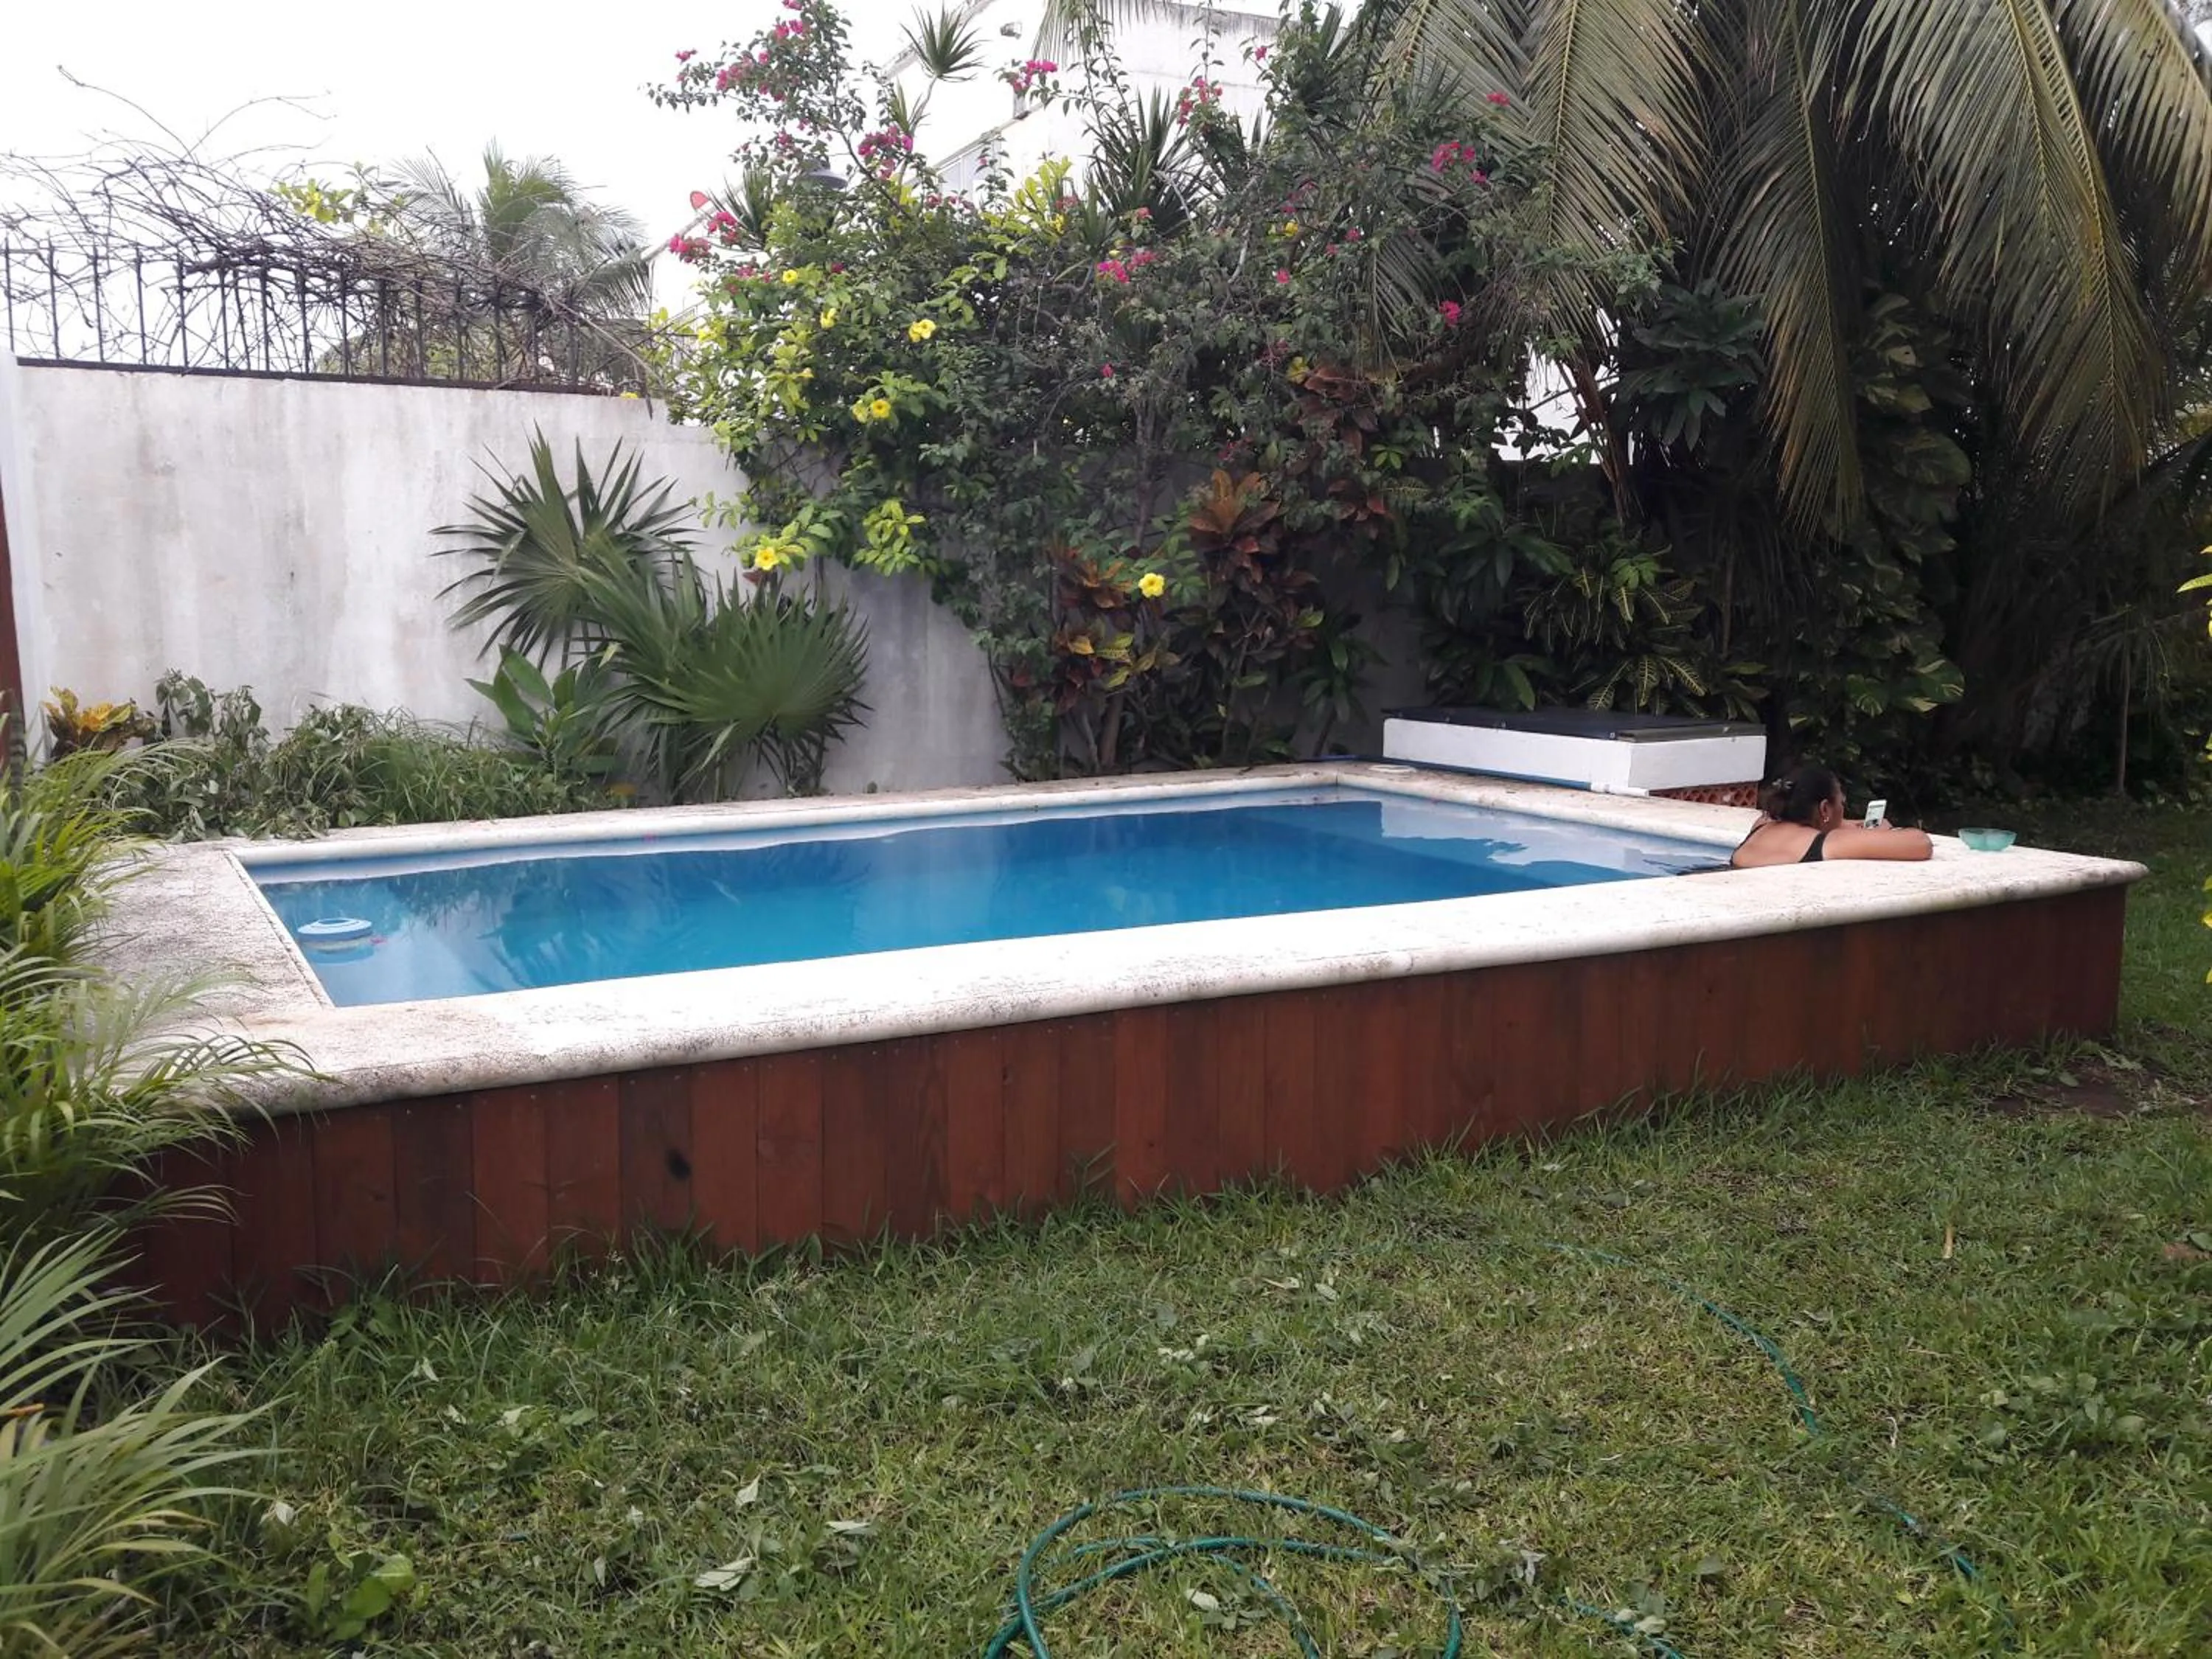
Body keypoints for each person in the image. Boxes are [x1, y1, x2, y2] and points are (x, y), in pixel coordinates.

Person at [1729, 763, 1933, 869]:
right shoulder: (1828, 844)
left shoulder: (1761, 825)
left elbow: (1825, 824)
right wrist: (1880, 833)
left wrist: (1849, 825)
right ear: (1825, 809)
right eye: (1842, 804)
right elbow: (1920, 844)